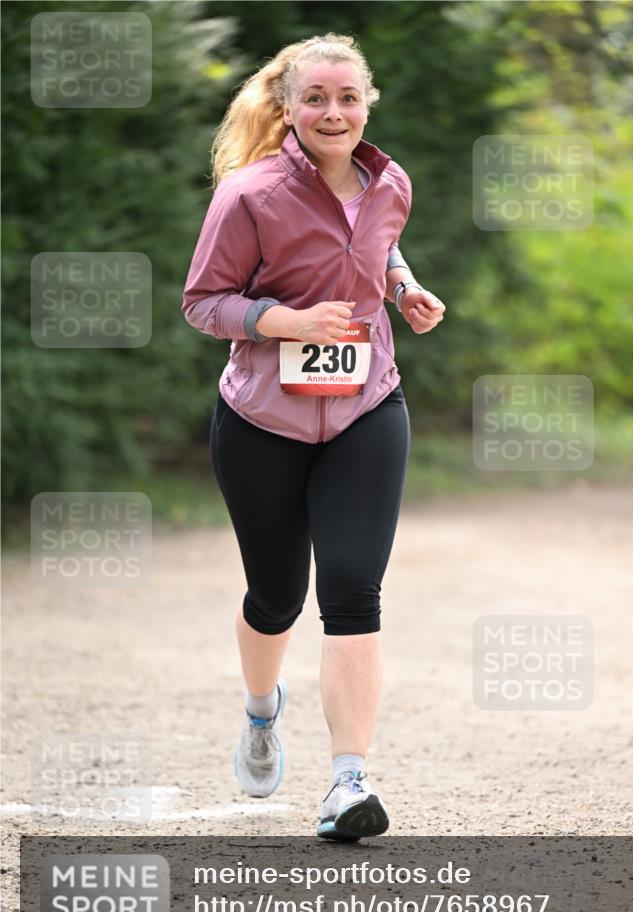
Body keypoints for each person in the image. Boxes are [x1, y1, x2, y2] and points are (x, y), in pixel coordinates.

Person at [182, 32, 445, 841]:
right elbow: (203, 301)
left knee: (353, 592)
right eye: (316, 99)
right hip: (263, 419)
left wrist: (403, 287)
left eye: (347, 98)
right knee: (275, 597)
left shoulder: (389, 181)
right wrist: (283, 320)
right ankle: (262, 713)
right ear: (289, 108)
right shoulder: (249, 195)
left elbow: (377, 244)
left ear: (367, 105)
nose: (333, 112)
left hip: (368, 407)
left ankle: (347, 782)